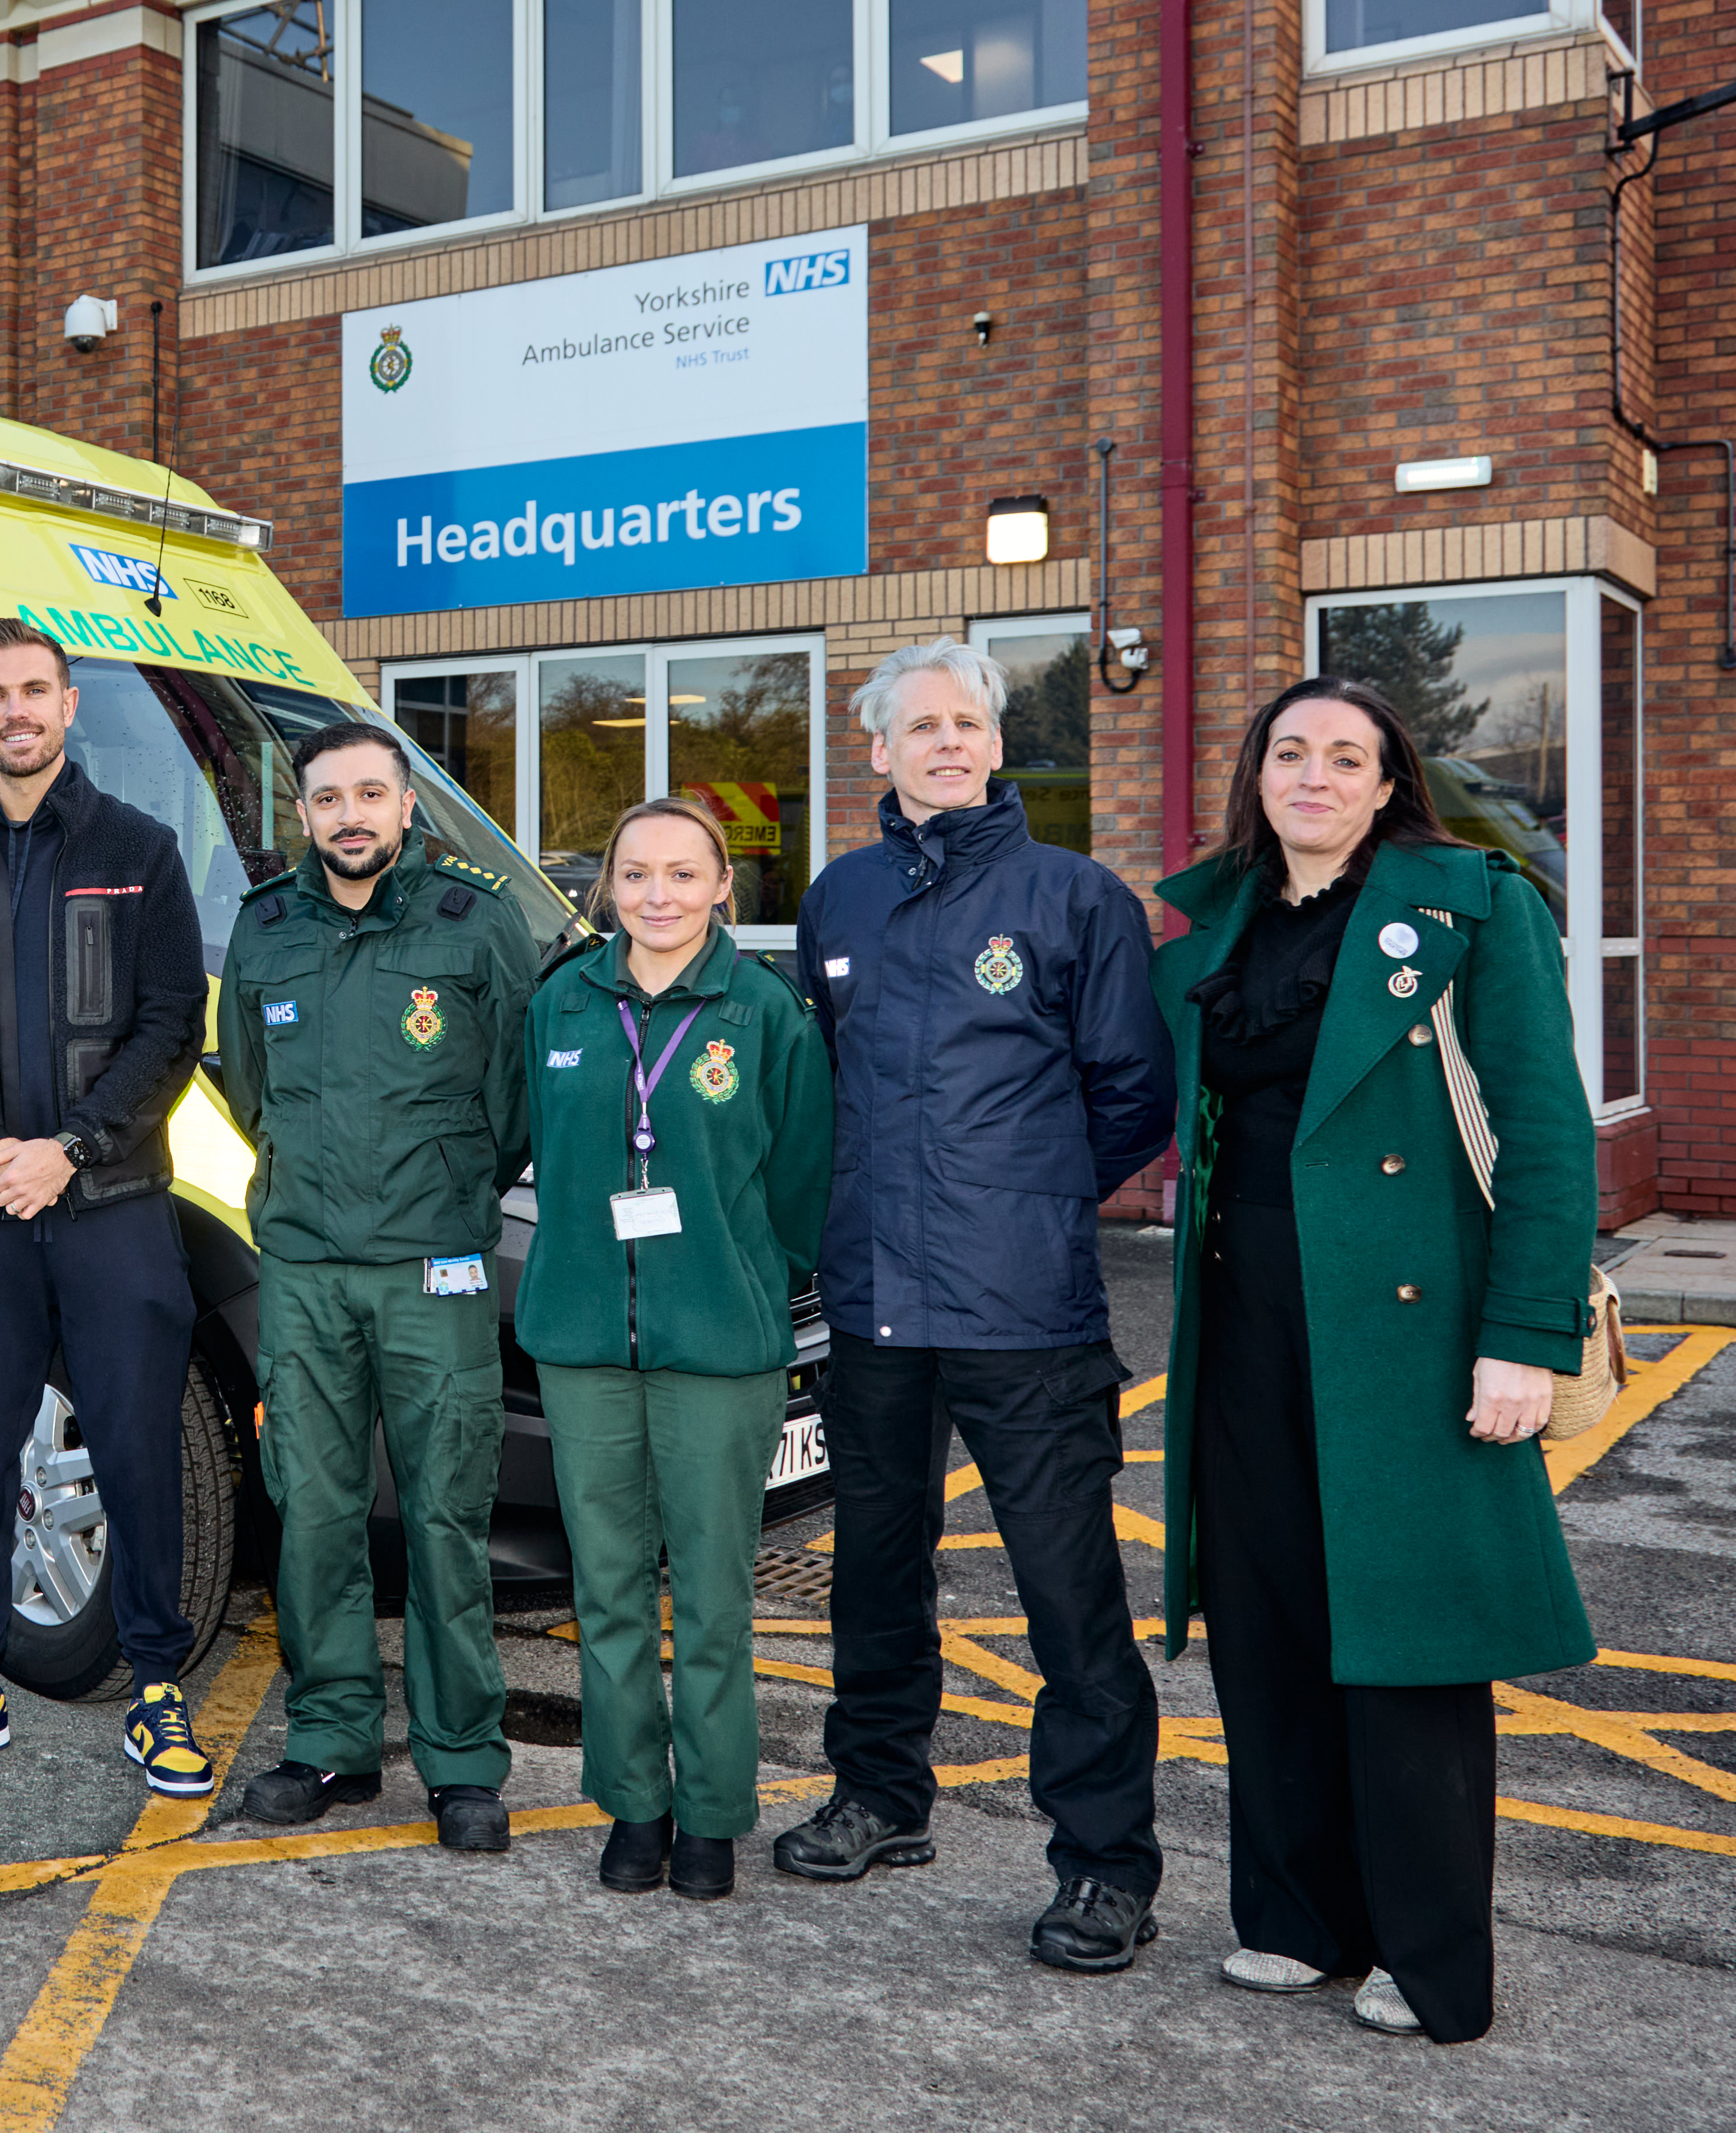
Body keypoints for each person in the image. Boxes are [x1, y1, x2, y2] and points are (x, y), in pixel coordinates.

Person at [1153, 677, 1592, 2044]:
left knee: (1407, 1641)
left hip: (1409, 1323)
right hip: (1243, 1313)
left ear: (1392, 781)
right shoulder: (1222, 915)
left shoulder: (1473, 906)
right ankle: (1298, 1918)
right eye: (1292, 751)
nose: (1317, 775)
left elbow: (1545, 1130)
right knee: (1271, 1615)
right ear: (1259, 773)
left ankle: (1431, 1950)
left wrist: (1526, 1337)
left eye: (1349, 755)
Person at [782, 640, 1174, 1972]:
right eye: (919, 726)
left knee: (1069, 1600)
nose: (947, 742)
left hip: (1028, 1314)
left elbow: (1133, 1091)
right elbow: (824, 1088)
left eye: (968, 722)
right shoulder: (838, 901)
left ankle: (1106, 1865)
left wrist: (1037, 1195)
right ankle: (881, 1796)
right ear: (878, 754)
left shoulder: (1075, 897)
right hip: (878, 1308)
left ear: (996, 743)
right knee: (873, 1577)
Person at [0, 617, 213, 1794]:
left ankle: (159, 1690)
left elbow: (173, 1022)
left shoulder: (141, 848)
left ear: (70, 706)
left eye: (33, 690)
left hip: (114, 1202)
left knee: (135, 1449)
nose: (13, 710)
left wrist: (68, 1146)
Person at [214, 720, 535, 1852]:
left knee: (448, 1511)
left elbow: (513, 1098)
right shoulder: (265, 931)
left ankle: (461, 1758)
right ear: (300, 814)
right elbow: (248, 1088)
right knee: (314, 1506)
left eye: (370, 793)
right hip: (303, 1268)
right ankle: (332, 1738)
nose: (350, 814)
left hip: (434, 1267)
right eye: (327, 797)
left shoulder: (476, 920)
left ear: (408, 807)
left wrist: (440, 1188)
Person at [522, 799, 832, 1900]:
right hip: (582, 1339)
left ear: (721, 892)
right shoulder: (560, 999)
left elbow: (802, 1180)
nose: (658, 895)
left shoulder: (764, 1012)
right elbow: (534, 1146)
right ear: (607, 887)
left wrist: (740, 1276)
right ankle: (633, 1806)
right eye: (635, 874)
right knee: (606, 1592)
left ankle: (708, 1814)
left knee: (712, 1596)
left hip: (718, 1347)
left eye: (682, 875)